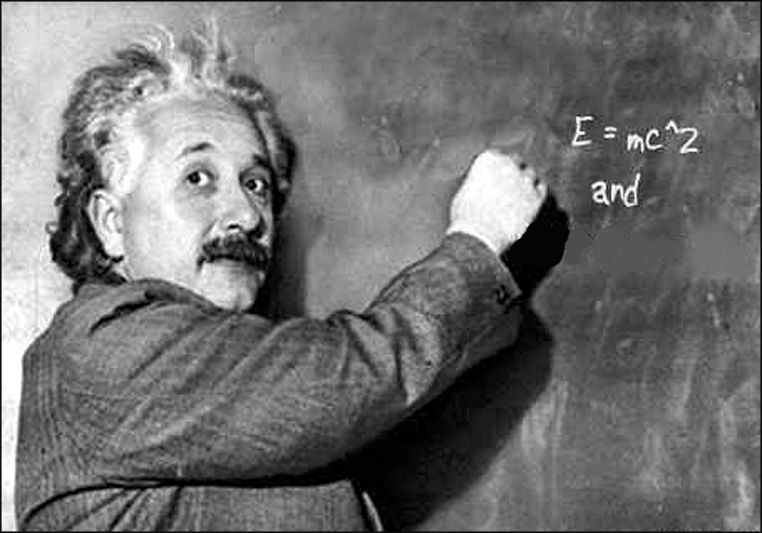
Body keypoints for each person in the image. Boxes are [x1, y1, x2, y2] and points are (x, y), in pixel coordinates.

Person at [15, 21, 569, 531]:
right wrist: (478, 238)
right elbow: (345, 379)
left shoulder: (230, 390)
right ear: (112, 224)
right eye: (198, 178)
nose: (247, 214)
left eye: (255, 183)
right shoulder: (100, 347)